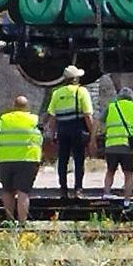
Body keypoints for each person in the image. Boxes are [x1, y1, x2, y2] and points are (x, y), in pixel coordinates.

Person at [43, 66, 97, 199]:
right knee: (79, 160)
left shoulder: (57, 93)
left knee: (63, 160)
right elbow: (87, 115)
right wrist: (93, 136)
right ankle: (78, 189)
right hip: (77, 129)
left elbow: (53, 117)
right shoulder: (81, 91)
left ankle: (63, 189)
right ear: (76, 79)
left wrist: (52, 135)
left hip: (62, 130)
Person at [0, 95, 43, 223]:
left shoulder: (4, 118)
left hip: (5, 159)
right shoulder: (33, 119)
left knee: (7, 190)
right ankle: (22, 223)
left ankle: (10, 221)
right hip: (27, 159)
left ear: (14, 106)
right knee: (23, 192)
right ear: (27, 107)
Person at [101, 85, 133, 200]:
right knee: (128, 174)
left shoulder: (111, 106)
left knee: (110, 171)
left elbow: (99, 121)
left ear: (119, 97)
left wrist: (96, 136)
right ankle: (127, 200)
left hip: (111, 146)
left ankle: (106, 193)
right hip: (128, 148)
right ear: (131, 97)